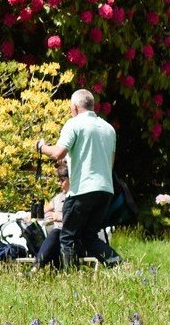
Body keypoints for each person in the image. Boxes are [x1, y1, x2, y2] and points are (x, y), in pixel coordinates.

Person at [35, 89, 117, 269]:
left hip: (82, 190)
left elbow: (57, 153)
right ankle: (116, 263)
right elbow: (107, 162)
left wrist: (42, 147)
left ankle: (71, 280)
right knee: (88, 237)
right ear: (92, 106)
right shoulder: (108, 128)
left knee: (67, 236)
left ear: (74, 107)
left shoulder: (74, 124)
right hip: (105, 191)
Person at [32, 161, 69, 270]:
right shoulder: (58, 198)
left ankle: (36, 268)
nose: (59, 183)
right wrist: (33, 215)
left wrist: (59, 217)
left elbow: (79, 219)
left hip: (70, 235)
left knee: (55, 232)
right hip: (57, 237)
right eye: (58, 180)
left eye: (62, 180)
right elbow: (44, 211)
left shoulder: (76, 198)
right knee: (46, 233)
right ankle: (40, 268)